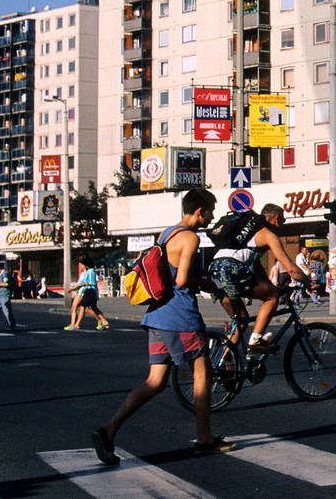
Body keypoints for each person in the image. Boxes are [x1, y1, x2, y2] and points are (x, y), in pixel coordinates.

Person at [90, 187, 235, 465]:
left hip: (157, 315)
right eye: (211, 211)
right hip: (179, 317)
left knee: (155, 382)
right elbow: (181, 281)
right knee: (203, 374)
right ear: (199, 211)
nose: (212, 217)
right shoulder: (190, 238)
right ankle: (205, 439)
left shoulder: (167, 232)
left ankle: (108, 430)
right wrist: (206, 283)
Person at [208, 203, 309, 351]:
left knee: (241, 320)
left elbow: (256, 267)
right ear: (275, 219)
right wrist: (309, 283)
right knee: (273, 297)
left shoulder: (248, 234)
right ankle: (255, 341)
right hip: (231, 268)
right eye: (281, 221)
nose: (281, 226)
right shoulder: (268, 235)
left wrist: (270, 285)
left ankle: (224, 365)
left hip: (215, 270)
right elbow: (292, 269)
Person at [66, 257, 111, 331]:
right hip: (87, 291)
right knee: (90, 307)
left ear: (86, 265)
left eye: (82, 264)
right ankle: (102, 321)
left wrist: (77, 286)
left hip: (88, 292)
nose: (81, 266)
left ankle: (77, 325)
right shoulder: (88, 272)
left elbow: (90, 282)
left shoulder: (90, 271)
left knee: (84, 308)